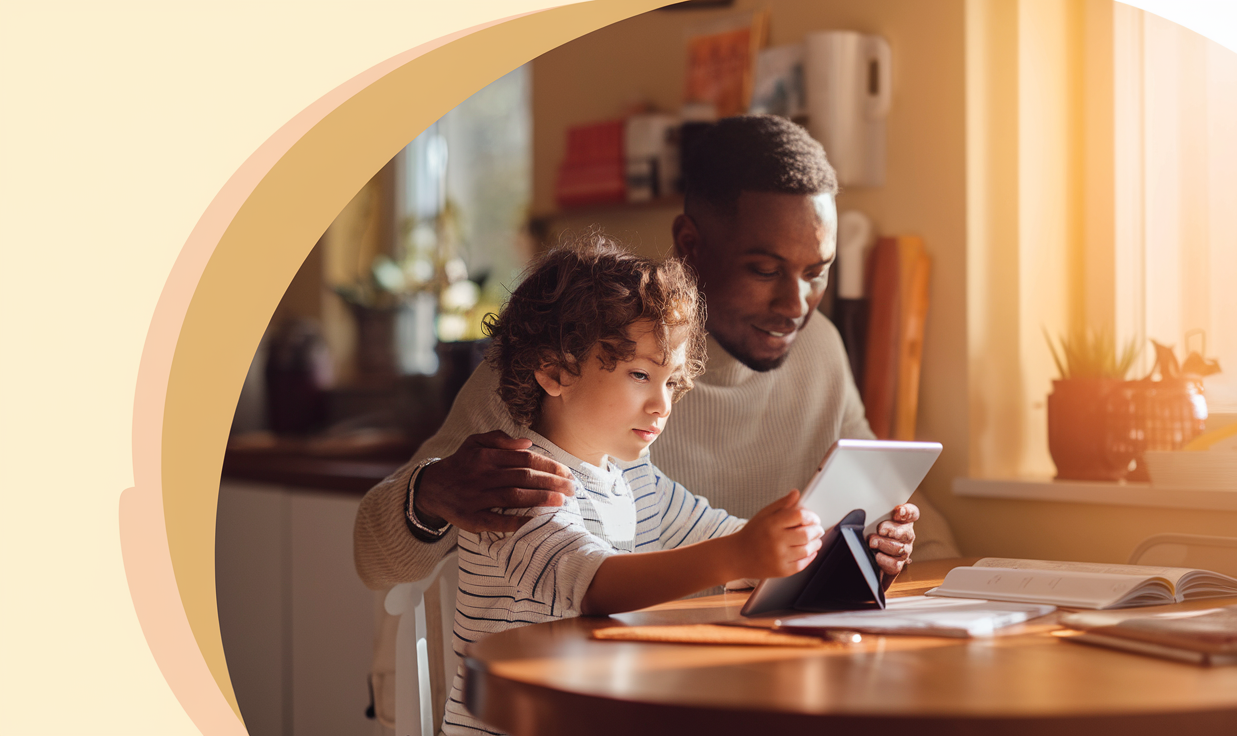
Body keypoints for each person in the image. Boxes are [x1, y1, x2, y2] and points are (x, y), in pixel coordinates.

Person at [353, 114, 957, 721]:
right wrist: (428, 493)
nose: (794, 305)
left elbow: (751, 528)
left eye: (816, 271)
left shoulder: (814, 351)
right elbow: (378, 558)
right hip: (528, 700)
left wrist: (857, 545)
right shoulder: (571, 359)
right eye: (765, 270)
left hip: (679, 672)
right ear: (691, 245)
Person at [441, 243, 826, 735]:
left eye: (671, 381)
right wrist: (739, 555)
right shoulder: (513, 484)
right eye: (641, 375)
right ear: (555, 371)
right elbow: (594, 586)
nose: (661, 405)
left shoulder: (634, 479)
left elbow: (728, 537)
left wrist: (831, 543)